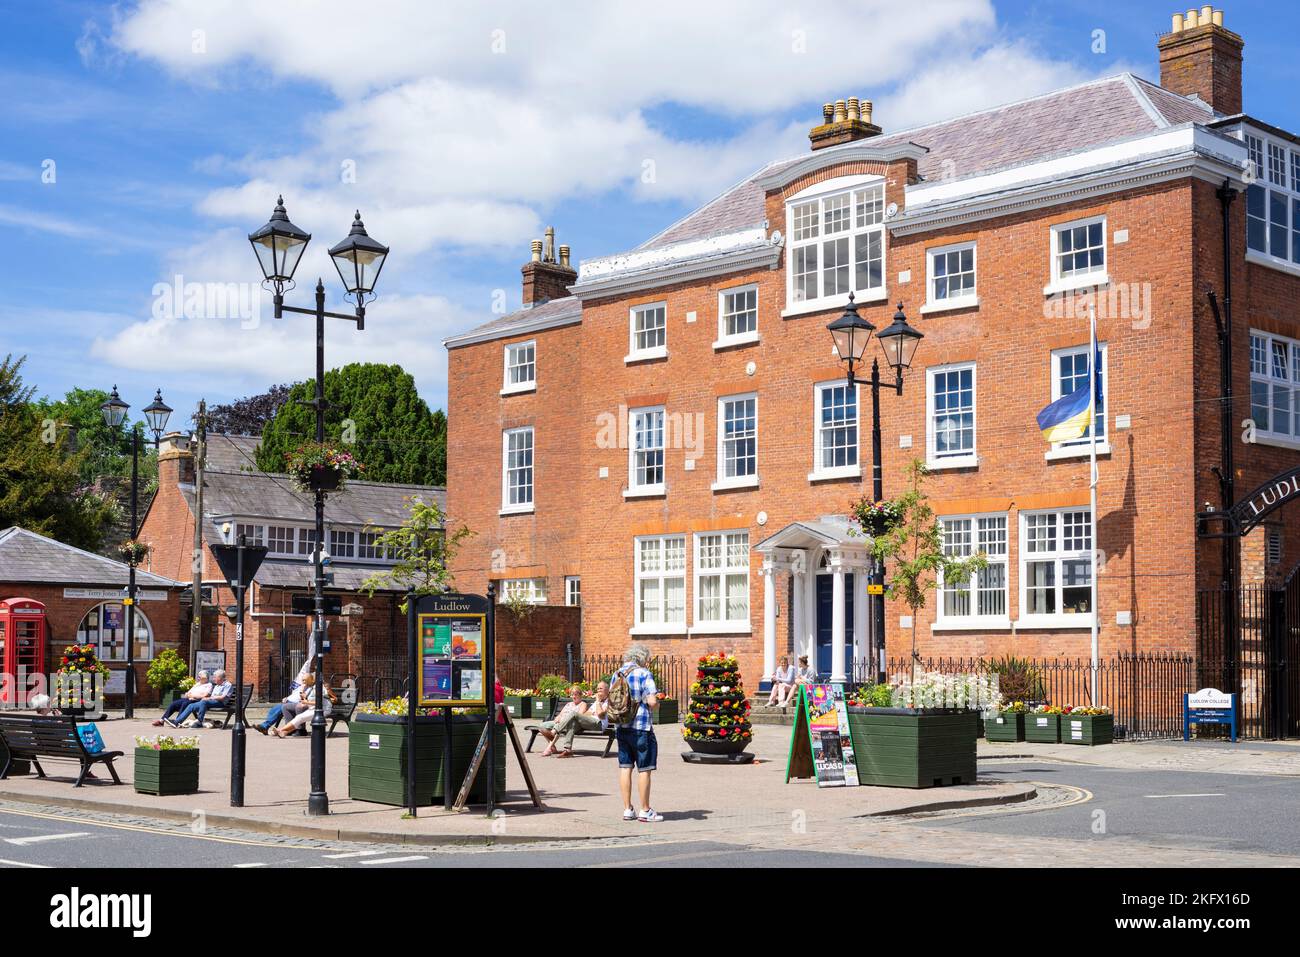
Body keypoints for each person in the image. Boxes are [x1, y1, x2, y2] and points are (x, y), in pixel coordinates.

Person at [611, 644, 662, 823]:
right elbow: (652, 700)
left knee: (625, 767)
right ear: (643, 658)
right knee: (644, 769)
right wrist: (656, 704)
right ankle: (645, 810)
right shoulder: (644, 673)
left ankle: (627, 809)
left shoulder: (617, 674)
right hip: (641, 727)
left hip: (622, 726)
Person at [538, 686, 589, 757]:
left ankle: (549, 748)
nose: (573, 696)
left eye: (575, 694)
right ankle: (553, 746)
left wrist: (562, 720)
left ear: (580, 695)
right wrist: (558, 718)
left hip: (571, 724)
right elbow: (560, 715)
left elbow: (579, 717)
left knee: (558, 727)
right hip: (560, 722)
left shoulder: (583, 704)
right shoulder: (568, 704)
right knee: (542, 726)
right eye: (572, 694)